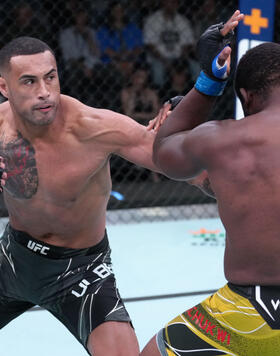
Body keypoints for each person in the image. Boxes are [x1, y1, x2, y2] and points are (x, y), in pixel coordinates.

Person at [0, 35, 165, 356]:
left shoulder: (95, 128)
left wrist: (202, 93)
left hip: (82, 270)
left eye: (50, 77)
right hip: (12, 258)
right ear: (4, 88)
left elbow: (181, 163)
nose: (45, 92)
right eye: (29, 82)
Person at [141, 9, 280, 356]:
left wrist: (207, 83)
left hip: (253, 312)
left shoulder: (224, 140)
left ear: (246, 97)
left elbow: (165, 156)